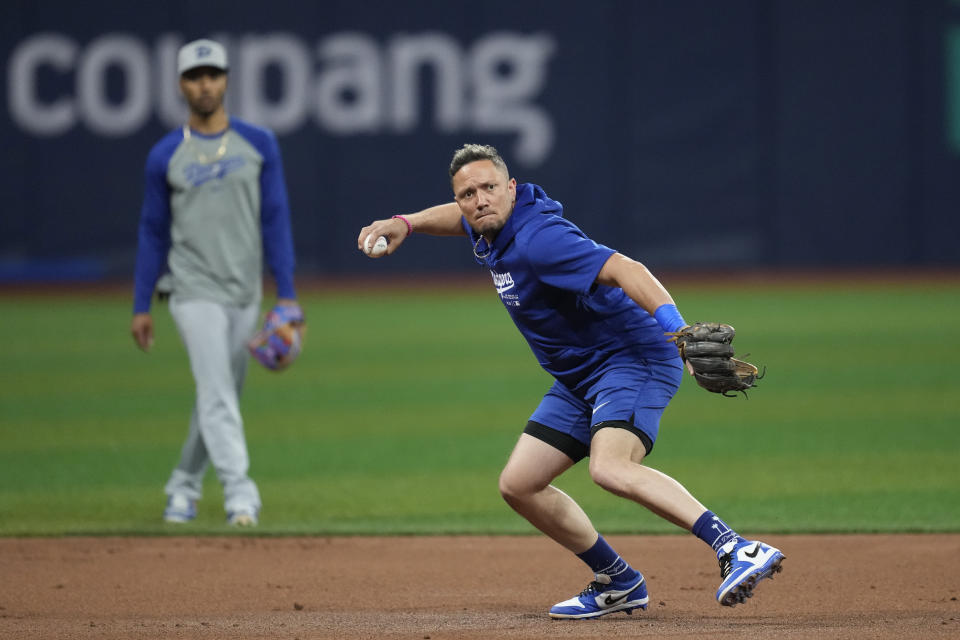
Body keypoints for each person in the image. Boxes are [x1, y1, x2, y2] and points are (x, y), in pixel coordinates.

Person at [357, 144, 784, 618]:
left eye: (489, 189)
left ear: (511, 189)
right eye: (468, 193)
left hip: (631, 359)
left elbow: (627, 269)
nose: (479, 200)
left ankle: (735, 547)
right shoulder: (491, 222)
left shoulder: (541, 241)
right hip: (581, 376)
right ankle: (618, 582)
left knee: (610, 467)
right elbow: (459, 218)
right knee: (520, 484)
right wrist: (407, 223)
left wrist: (679, 333)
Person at [131, 38, 300, 527]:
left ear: (226, 79)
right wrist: (142, 303)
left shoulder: (258, 143)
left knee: (218, 394)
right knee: (218, 393)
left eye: (212, 73)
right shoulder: (165, 154)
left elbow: (275, 218)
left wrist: (286, 294)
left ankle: (181, 488)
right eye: (194, 75)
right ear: (181, 84)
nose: (204, 83)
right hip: (190, 289)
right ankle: (240, 495)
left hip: (245, 292)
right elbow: (152, 231)